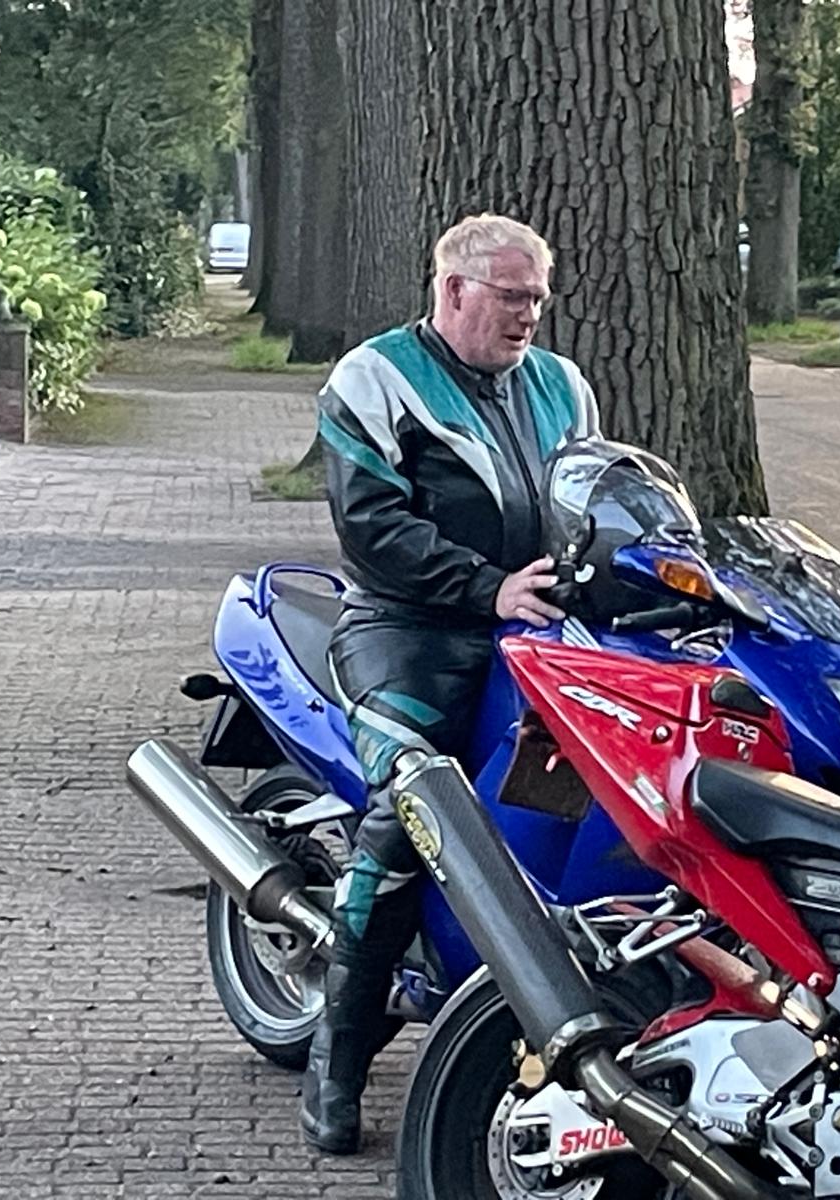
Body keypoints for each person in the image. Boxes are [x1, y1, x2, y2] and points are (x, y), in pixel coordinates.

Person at [302, 213, 598, 1154]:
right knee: (410, 816)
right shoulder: (374, 377)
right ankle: (338, 1059)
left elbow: (595, 499)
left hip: (535, 627)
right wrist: (487, 587)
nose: (528, 315)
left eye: (538, 298)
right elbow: (372, 529)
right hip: (407, 632)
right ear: (454, 289)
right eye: (512, 297)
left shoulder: (562, 384)